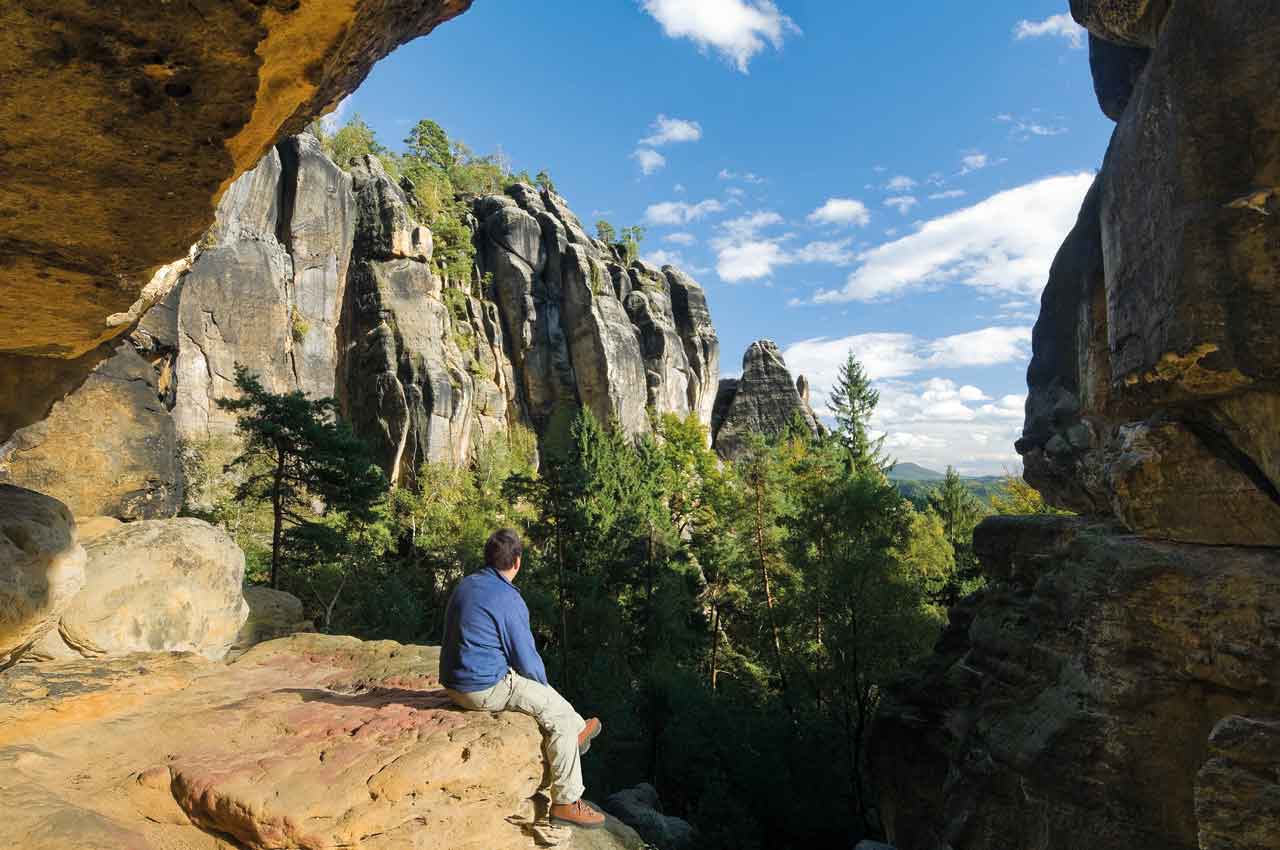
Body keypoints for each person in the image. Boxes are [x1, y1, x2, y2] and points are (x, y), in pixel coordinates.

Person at [440, 528, 605, 829]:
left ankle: (577, 732)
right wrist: (543, 688)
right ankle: (567, 802)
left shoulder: (467, 584)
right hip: (482, 688)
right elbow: (527, 661)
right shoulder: (508, 599)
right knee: (554, 712)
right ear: (517, 562)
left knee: (552, 706)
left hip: (455, 682)